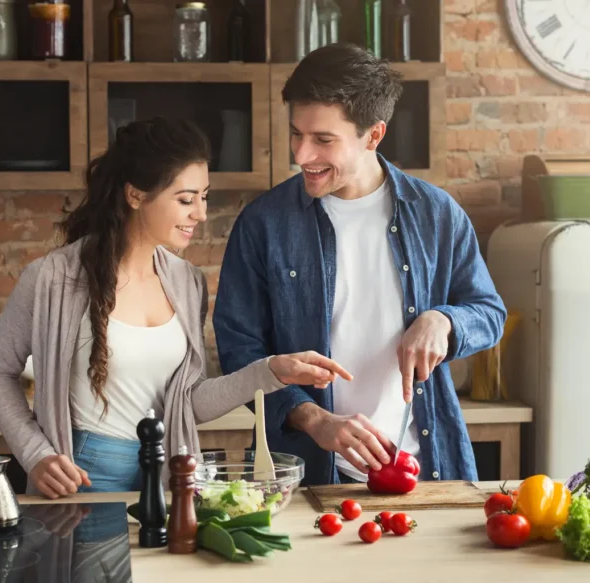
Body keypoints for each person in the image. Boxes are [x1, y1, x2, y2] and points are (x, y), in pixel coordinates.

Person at [0, 117, 352, 499]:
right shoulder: (52, 278)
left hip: (169, 475)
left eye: (203, 197)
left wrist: (272, 371)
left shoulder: (187, 282)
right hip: (85, 475)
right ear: (136, 195)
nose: (201, 214)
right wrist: (35, 454)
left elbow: (187, 403)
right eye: (186, 199)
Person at [212, 44, 507, 486]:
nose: (301, 155)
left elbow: (489, 313)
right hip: (307, 477)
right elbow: (240, 351)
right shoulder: (264, 224)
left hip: (424, 470)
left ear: (374, 134)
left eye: (323, 140)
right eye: (296, 134)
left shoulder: (437, 214)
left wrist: (442, 321)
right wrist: (313, 419)